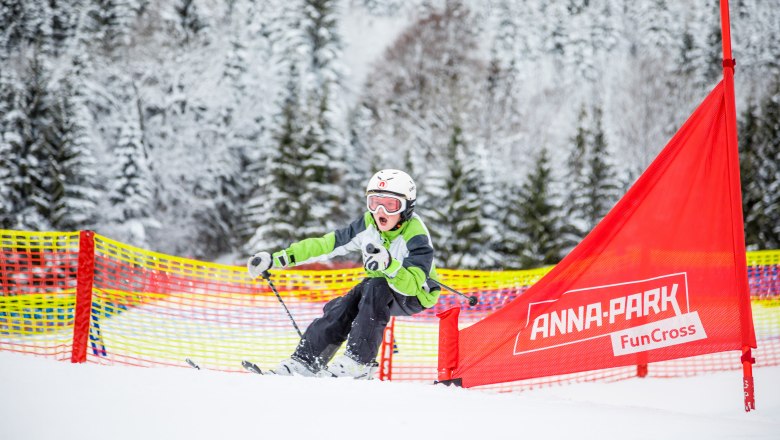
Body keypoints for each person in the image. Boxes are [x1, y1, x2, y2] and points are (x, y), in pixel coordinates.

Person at [247, 169, 441, 378]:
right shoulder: (368, 224)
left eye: (391, 205)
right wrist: (277, 259)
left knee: (376, 285)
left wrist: (390, 265)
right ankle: (305, 362)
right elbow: (326, 245)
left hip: (415, 294)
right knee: (345, 305)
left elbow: (412, 284)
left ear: (406, 208)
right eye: (375, 202)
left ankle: (358, 363)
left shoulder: (416, 234)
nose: (380, 211)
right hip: (379, 287)